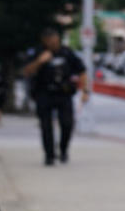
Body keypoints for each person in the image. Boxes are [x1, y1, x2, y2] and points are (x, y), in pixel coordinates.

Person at [19, 27, 88, 166]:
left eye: (55, 40)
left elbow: (82, 70)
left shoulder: (67, 53)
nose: (52, 43)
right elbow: (26, 71)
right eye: (49, 41)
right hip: (43, 93)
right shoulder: (38, 52)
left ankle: (63, 149)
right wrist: (40, 61)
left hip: (64, 93)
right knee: (45, 126)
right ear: (44, 41)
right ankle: (49, 155)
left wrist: (85, 91)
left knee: (67, 123)